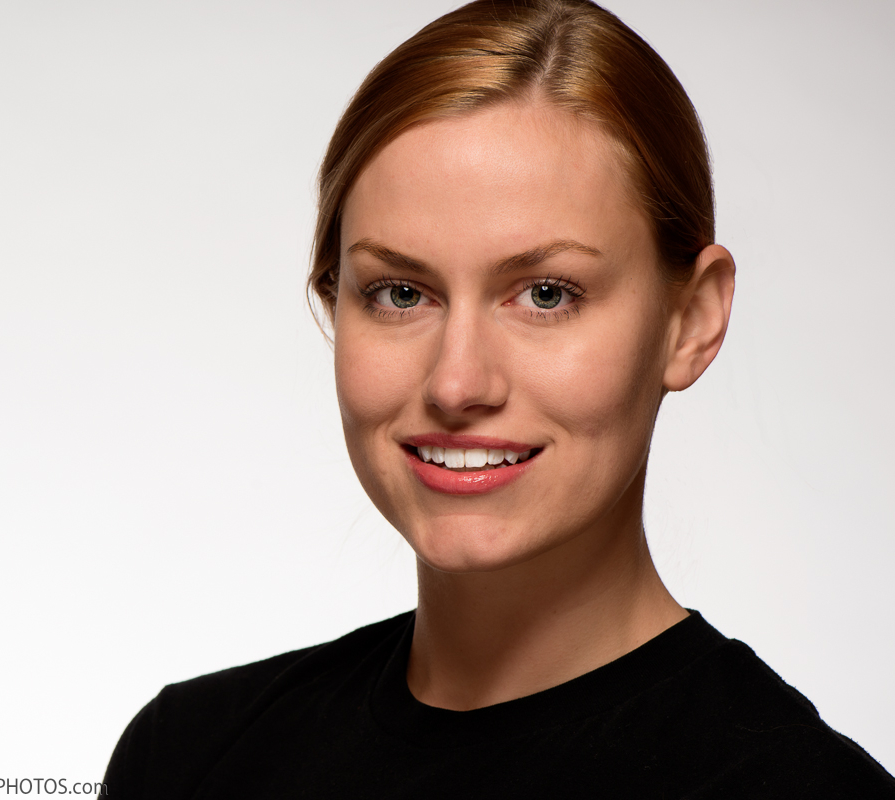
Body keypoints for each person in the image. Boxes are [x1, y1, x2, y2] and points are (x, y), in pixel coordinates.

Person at [100, 0, 895, 795]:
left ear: (690, 320)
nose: (456, 385)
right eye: (400, 293)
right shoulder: (188, 759)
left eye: (546, 294)